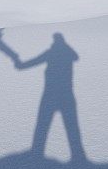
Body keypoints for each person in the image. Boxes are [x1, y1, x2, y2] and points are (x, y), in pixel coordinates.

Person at [17, 33, 86, 161]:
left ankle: (36, 154)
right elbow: (75, 56)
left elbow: (34, 61)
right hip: (66, 95)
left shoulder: (51, 52)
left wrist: (20, 65)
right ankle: (78, 156)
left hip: (50, 95)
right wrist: (65, 46)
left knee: (43, 125)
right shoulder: (67, 53)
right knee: (71, 127)